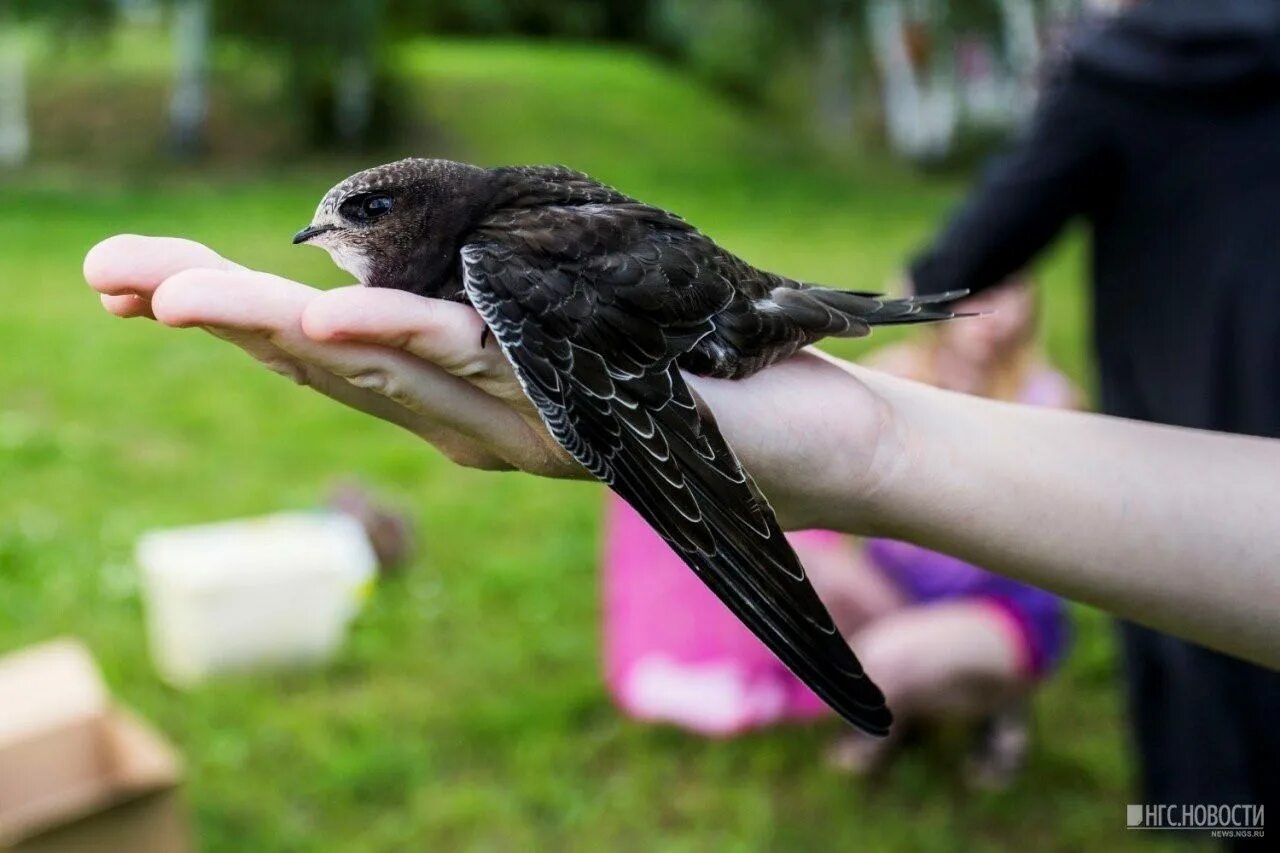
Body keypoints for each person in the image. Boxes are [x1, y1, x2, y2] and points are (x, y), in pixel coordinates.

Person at [82, 235, 1280, 675]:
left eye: (356, 225)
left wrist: (854, 447)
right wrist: (874, 447)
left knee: (618, 409)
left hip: (722, 311)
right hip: (718, 312)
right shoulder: (502, 246)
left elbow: (642, 403)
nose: (326, 246)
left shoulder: (510, 256)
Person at [904, 0, 1280, 822]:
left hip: (1187, 424)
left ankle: (1225, 819)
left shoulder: (1125, 68)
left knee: (1212, 657)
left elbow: (972, 248)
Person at [602, 279, 1074, 785]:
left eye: (1011, 292)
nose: (993, 312)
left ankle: (994, 707)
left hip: (998, 605)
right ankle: (906, 701)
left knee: (880, 660)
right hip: (896, 583)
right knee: (790, 575)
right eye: (981, 288)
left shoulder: (1046, 400)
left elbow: (1054, 534)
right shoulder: (899, 372)